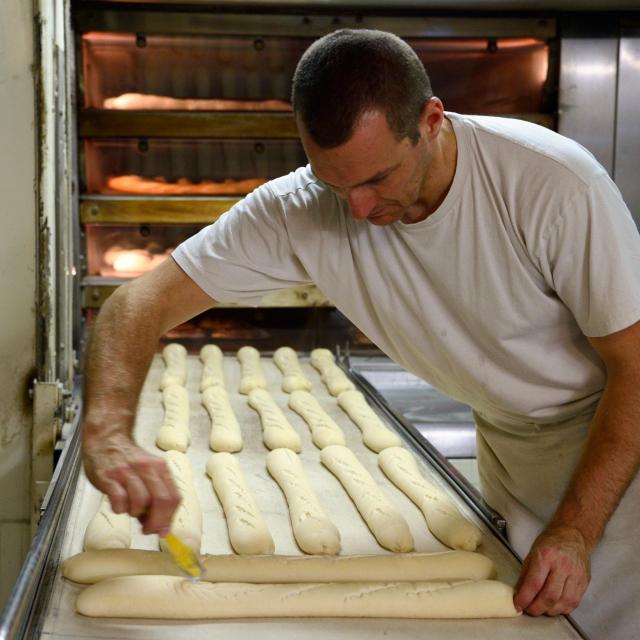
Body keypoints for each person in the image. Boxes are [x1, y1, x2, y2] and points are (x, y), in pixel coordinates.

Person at [82, 29, 640, 638]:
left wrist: (576, 531)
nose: (357, 209)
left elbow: (636, 368)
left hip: (614, 452)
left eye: (378, 178)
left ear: (430, 120)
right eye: (334, 183)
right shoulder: (300, 209)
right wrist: (108, 432)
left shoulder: (549, 184)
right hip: (507, 446)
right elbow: (137, 303)